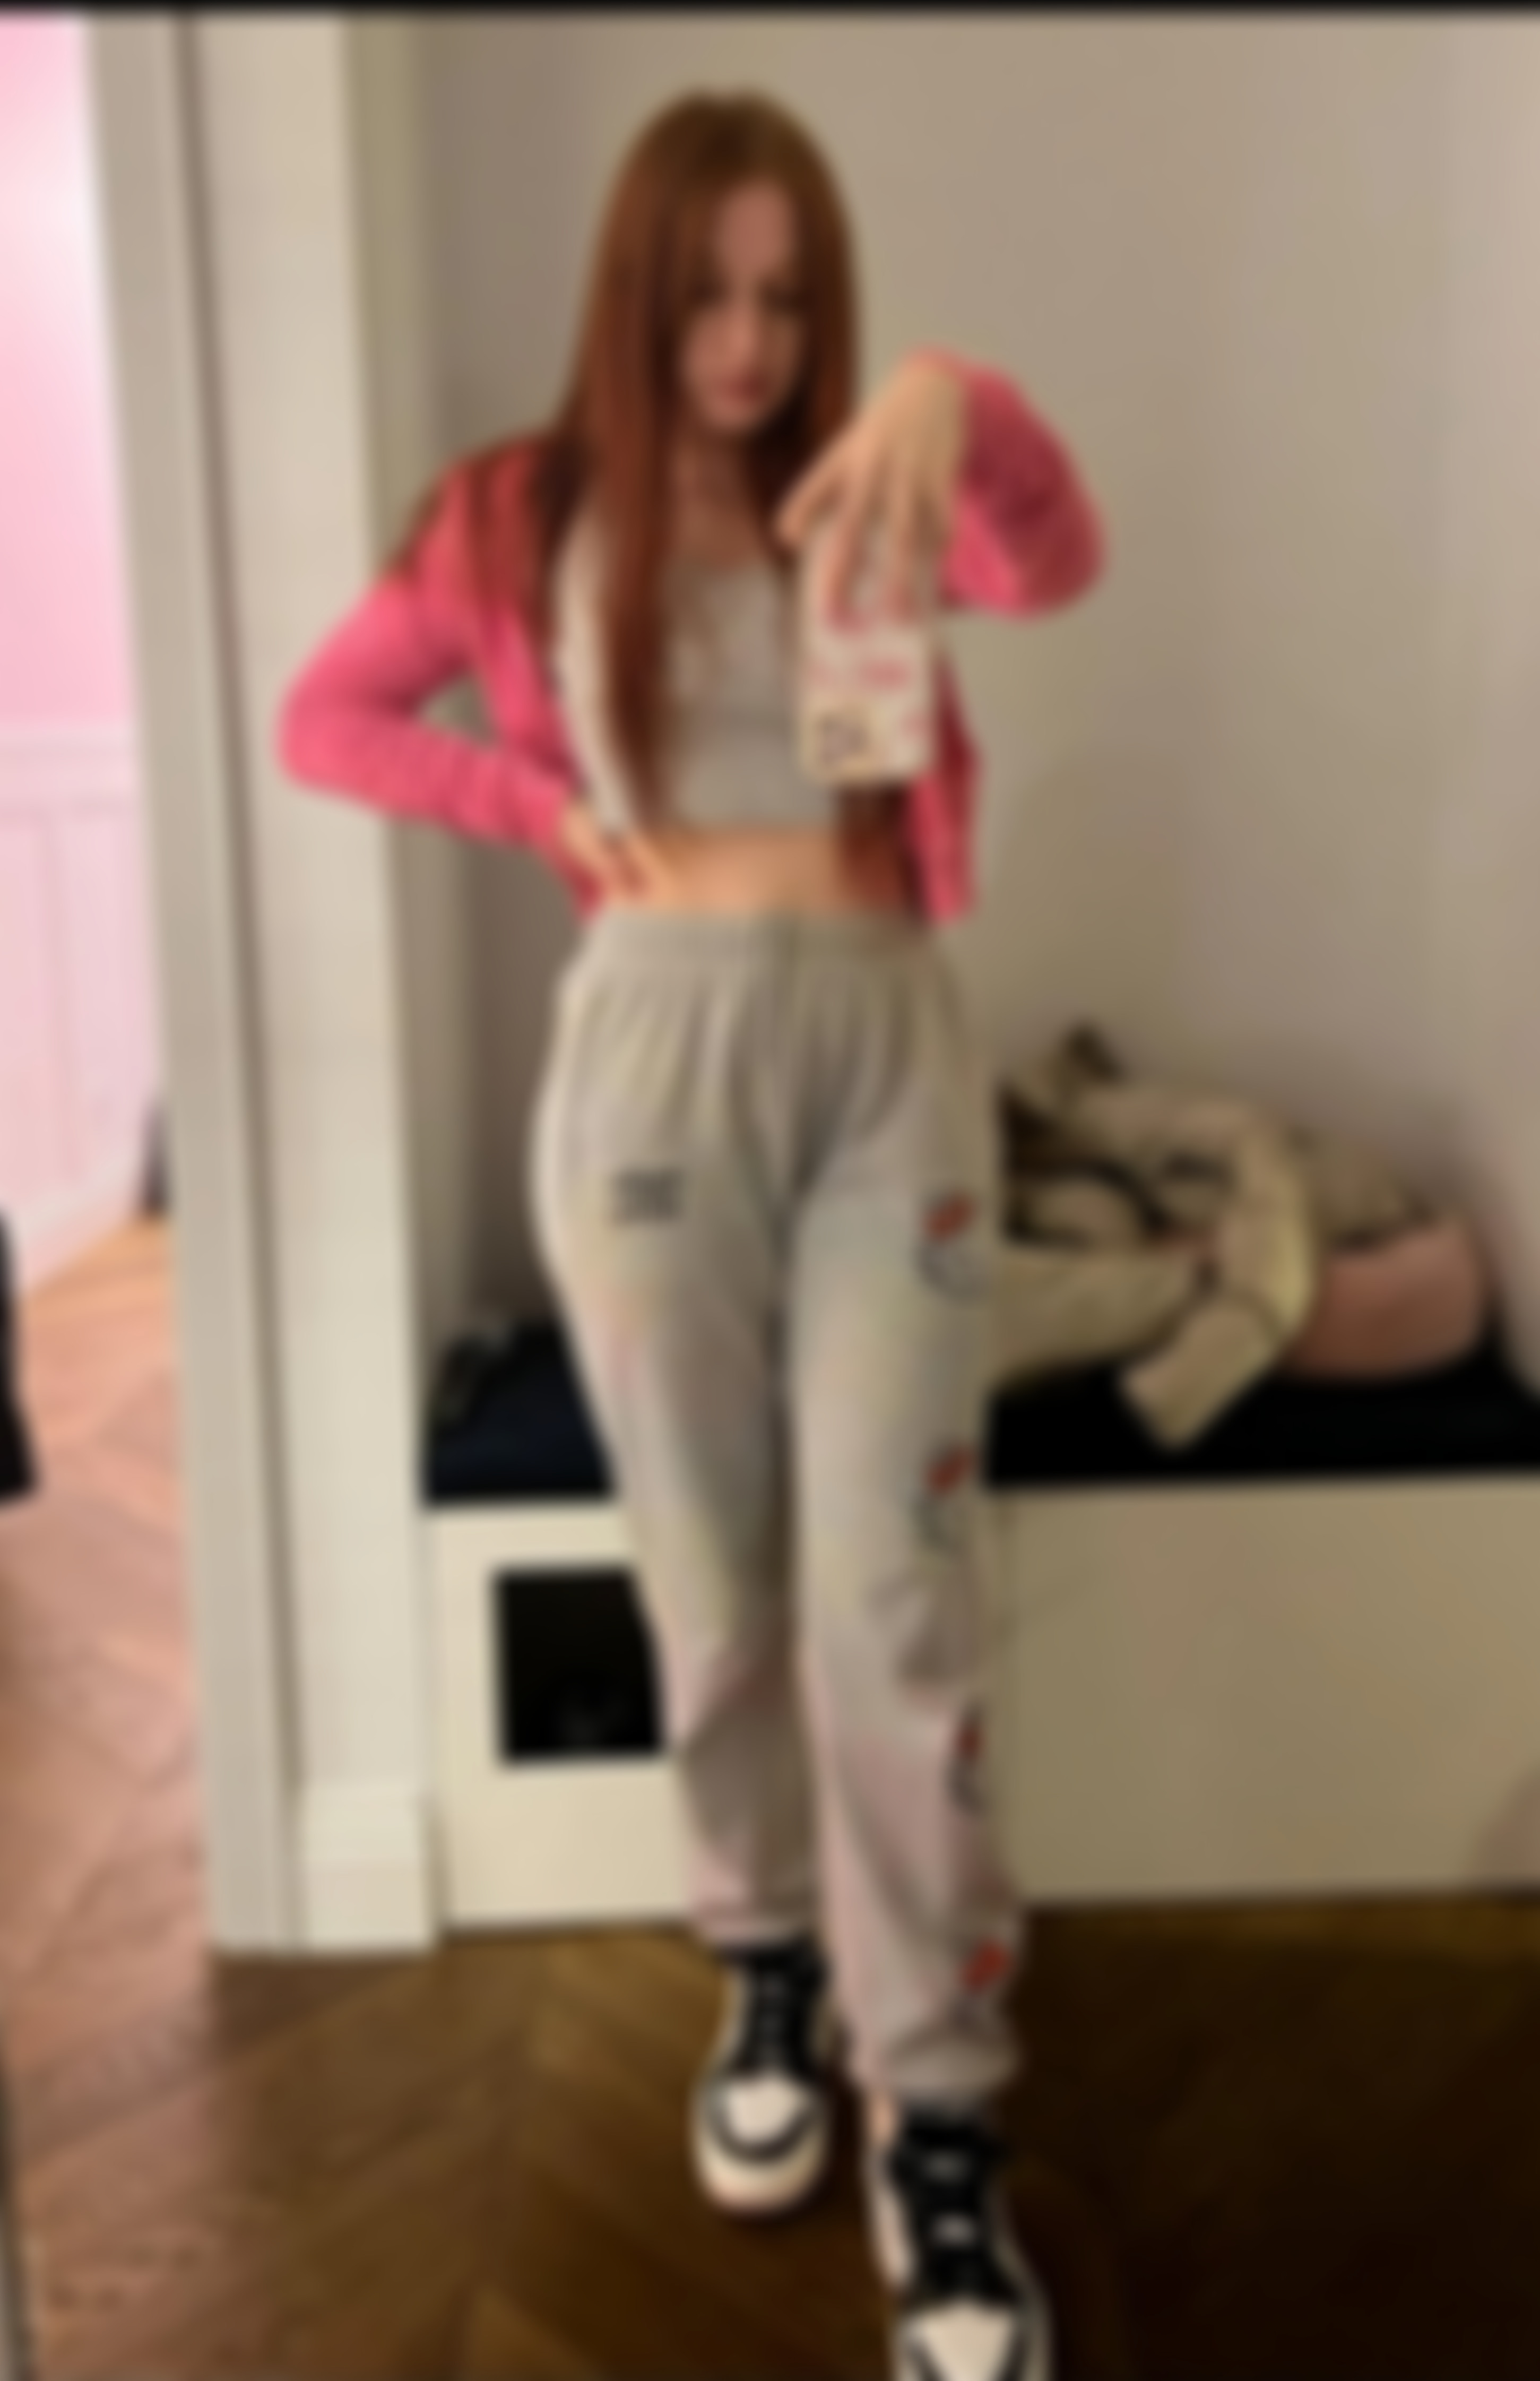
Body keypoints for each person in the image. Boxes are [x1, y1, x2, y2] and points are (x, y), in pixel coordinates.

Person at [278, 87, 1105, 2381]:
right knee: (714, 1584)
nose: (747, 343)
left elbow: (1062, 560)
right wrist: (527, 800)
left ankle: (940, 2115)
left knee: (894, 1598)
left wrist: (954, 398)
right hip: (651, 1067)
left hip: (883, 1058)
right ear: (634, 296)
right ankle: (763, 1959)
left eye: (788, 297)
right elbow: (329, 719)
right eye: (704, 296)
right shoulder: (518, 515)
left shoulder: (881, 481)